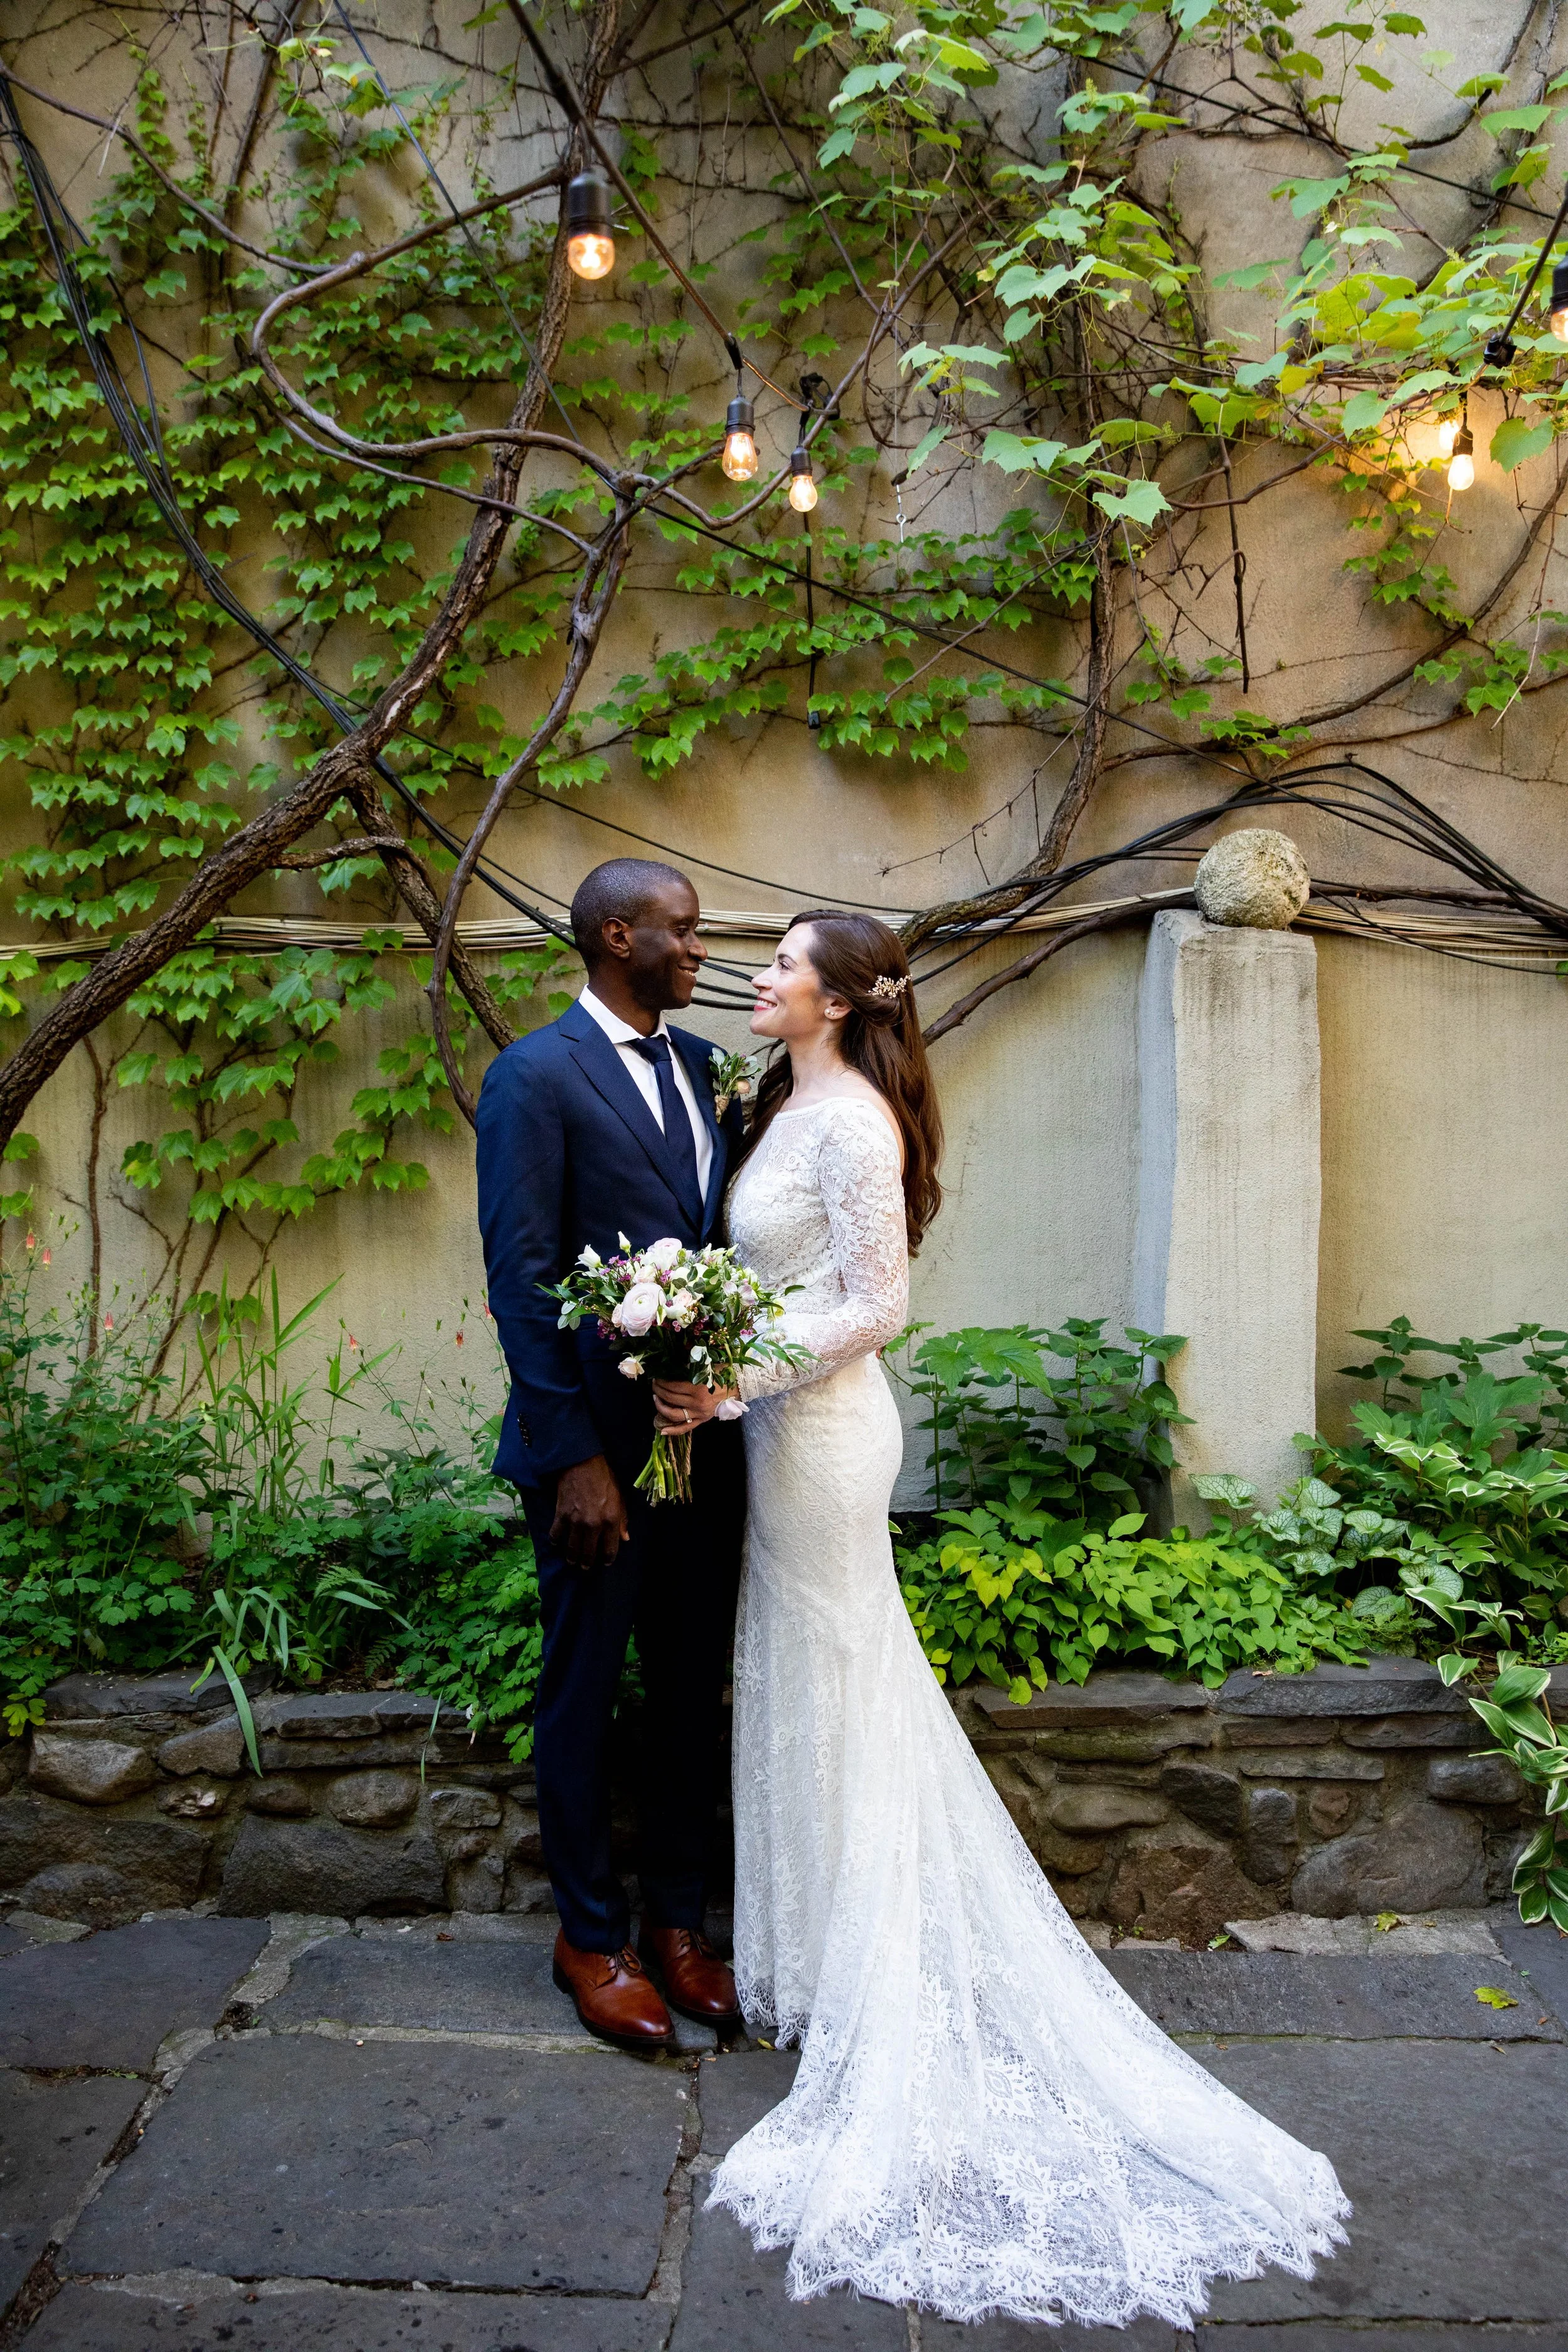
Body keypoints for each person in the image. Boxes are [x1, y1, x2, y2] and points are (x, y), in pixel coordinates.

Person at [651, 909, 1350, 2330]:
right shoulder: (779, 1098)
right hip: (775, 1439)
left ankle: (877, 1972)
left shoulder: (854, 1127)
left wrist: (730, 1381)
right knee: (802, 1673)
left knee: (845, 1675)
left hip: (826, 1435)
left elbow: (875, 1304)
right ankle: (825, 1957)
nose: (761, 978)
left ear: (839, 1001)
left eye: (784, 964)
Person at [475, 858, 746, 2052]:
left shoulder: (703, 1070)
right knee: (586, 1690)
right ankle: (590, 1936)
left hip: (703, 1441)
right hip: (594, 1458)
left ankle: (680, 1923)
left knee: (693, 1685)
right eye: (682, 932)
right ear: (614, 935)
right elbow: (522, 1278)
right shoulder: (534, 1076)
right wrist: (574, 1455)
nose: (700, 948)